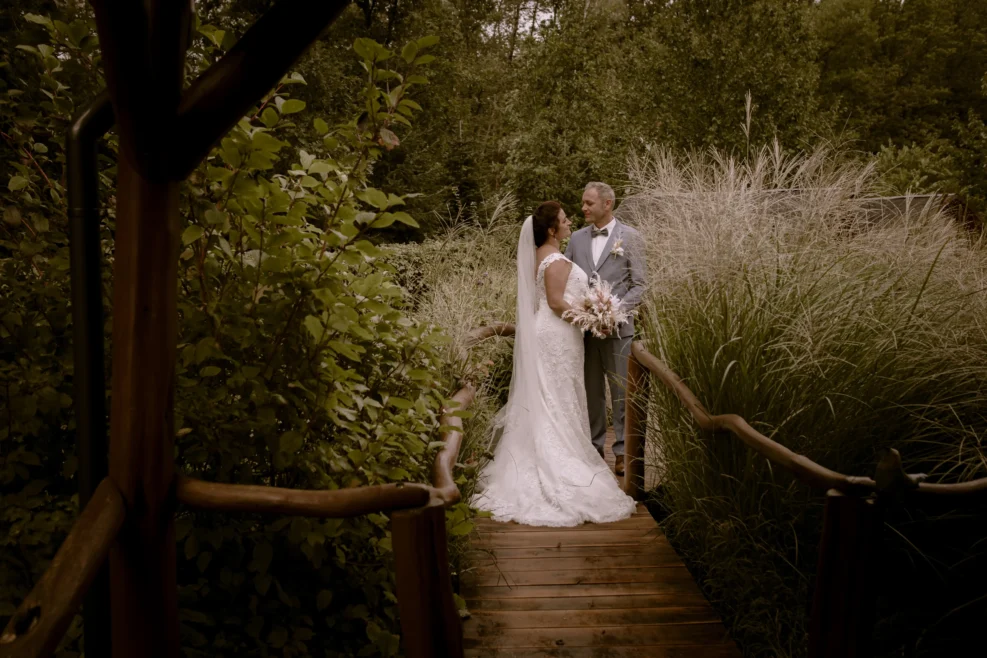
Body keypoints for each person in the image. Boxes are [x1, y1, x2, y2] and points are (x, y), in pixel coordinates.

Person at [472, 201, 636, 527]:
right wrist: (592, 319)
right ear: (552, 229)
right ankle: (558, 465)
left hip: (549, 335)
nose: (569, 222)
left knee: (551, 400)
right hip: (558, 337)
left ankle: (542, 456)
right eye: (564, 220)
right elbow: (556, 302)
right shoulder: (556, 259)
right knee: (558, 400)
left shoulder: (537, 256)